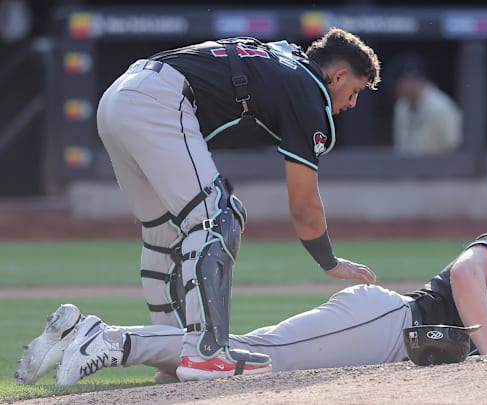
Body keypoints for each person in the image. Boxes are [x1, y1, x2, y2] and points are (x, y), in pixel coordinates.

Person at [92, 27, 380, 382]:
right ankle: (205, 352)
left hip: (119, 97)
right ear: (338, 76)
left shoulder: (284, 57)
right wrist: (329, 261)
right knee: (217, 218)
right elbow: (304, 206)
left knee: (164, 233)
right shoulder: (309, 90)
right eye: (354, 91)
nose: (351, 103)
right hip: (159, 100)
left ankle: (172, 355)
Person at [18, 232, 487, 386]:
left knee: (237, 358)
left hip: (387, 341)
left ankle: (93, 332)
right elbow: (464, 272)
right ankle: (112, 342)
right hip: (389, 322)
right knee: (258, 362)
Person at [389, 53, 463, 156]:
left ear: (411, 80)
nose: (396, 88)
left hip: (438, 169)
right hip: (407, 169)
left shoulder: (441, 108)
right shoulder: (402, 106)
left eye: (399, 83)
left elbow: (456, 148)